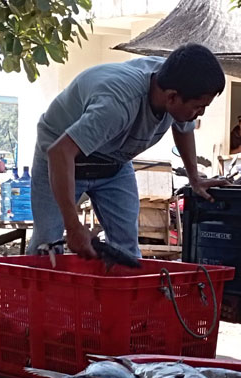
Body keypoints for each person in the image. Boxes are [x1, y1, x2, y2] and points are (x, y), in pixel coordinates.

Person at [26, 44, 228, 258]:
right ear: (171, 97)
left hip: (113, 163)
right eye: (198, 107)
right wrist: (73, 226)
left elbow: (184, 130)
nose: (201, 113)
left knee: (126, 251)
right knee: (47, 246)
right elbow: (60, 152)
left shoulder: (176, 83)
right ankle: (31, 289)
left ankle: (117, 290)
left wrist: (194, 178)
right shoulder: (117, 105)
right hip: (61, 157)